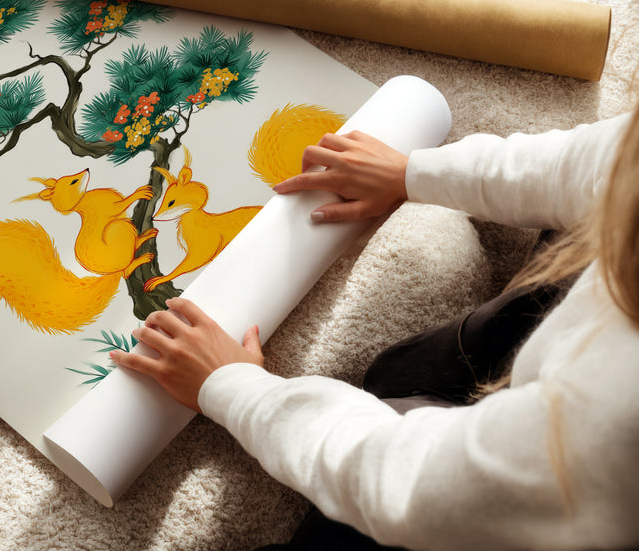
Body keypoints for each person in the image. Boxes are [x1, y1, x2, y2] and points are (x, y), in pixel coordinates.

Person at [109, 106, 639, 550]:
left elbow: (409, 484)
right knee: (401, 373)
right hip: (572, 377)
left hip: (563, 500)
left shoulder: (612, 422)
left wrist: (233, 388)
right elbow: (599, 161)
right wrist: (412, 173)